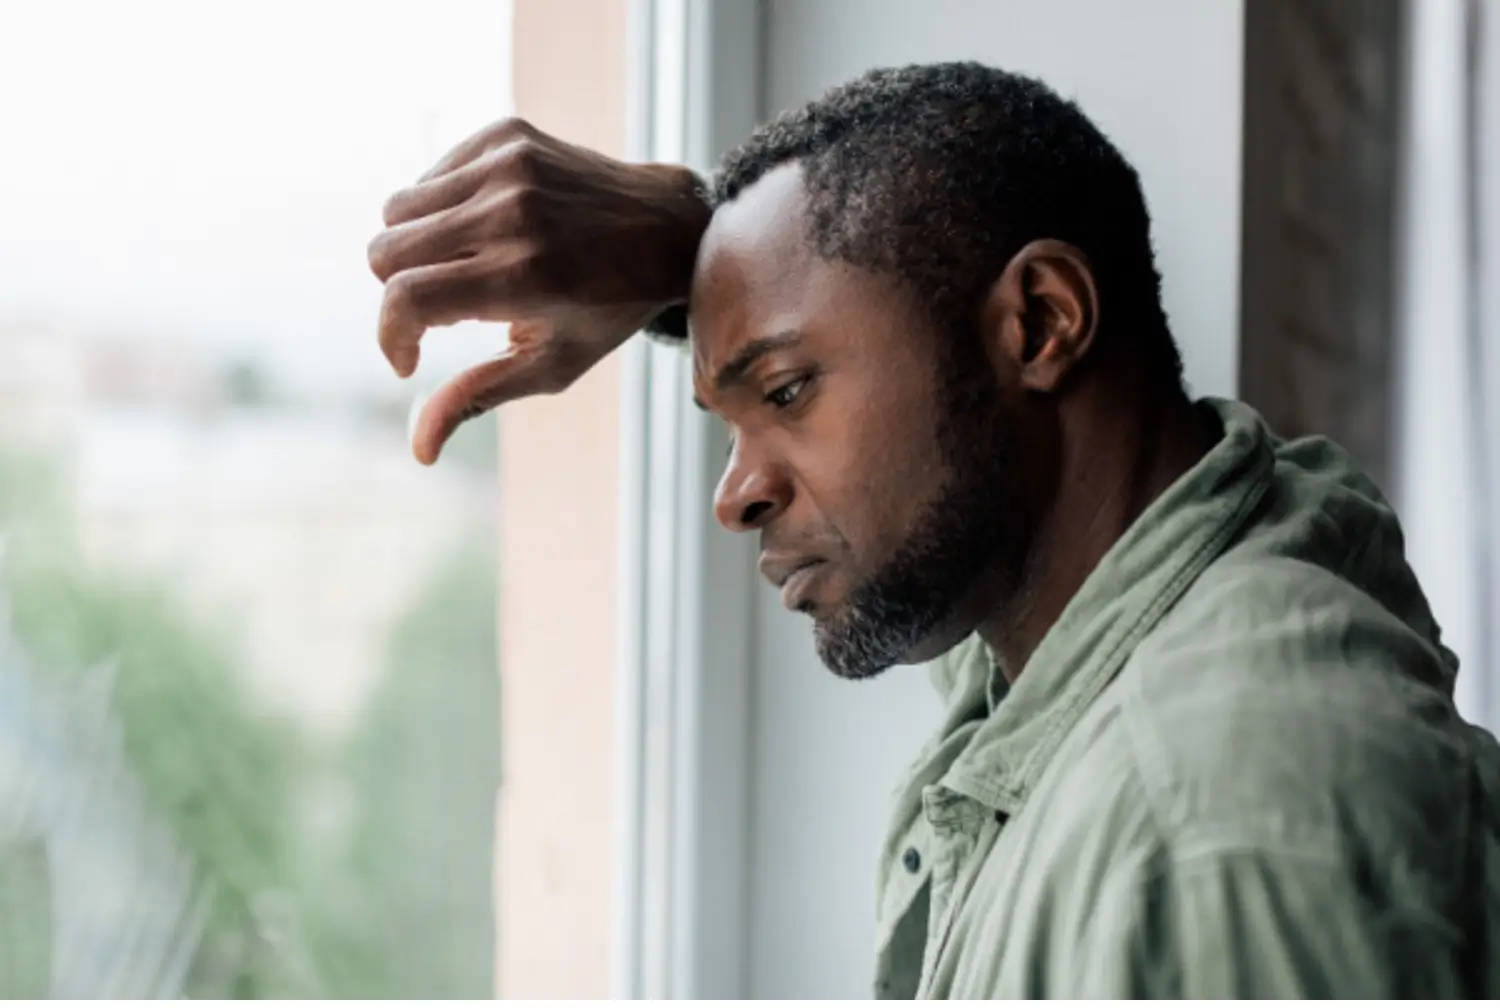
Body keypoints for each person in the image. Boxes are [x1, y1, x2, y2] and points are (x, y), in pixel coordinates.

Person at [367, 62, 1500, 998]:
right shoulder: (1097, 618)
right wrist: (691, 248)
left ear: (1043, 324)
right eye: (729, 417)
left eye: (789, 391)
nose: (736, 494)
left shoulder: (1214, 828)